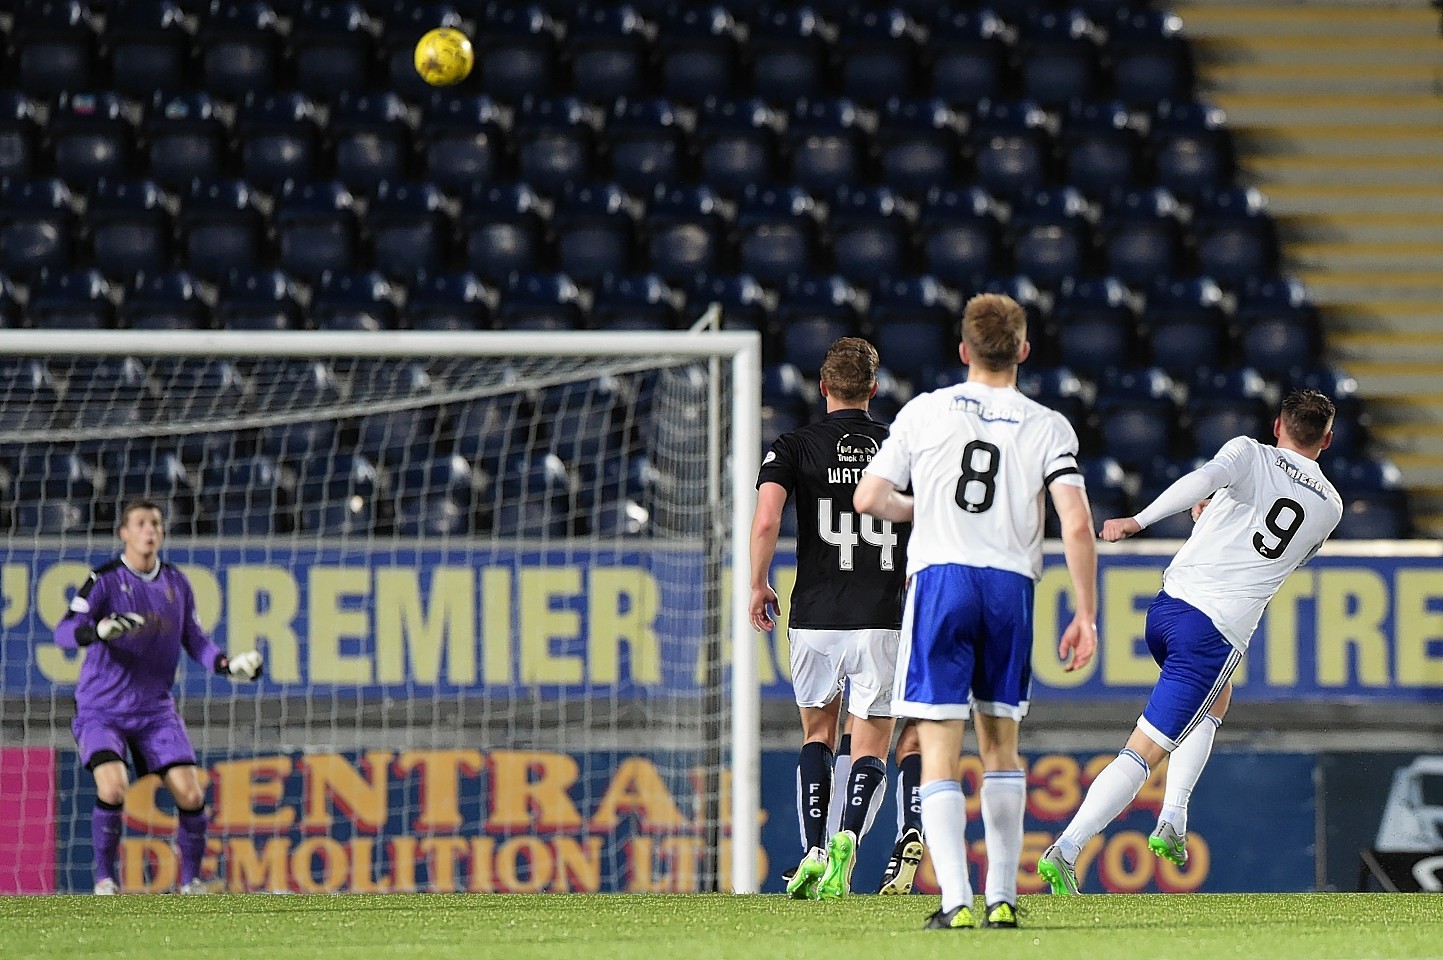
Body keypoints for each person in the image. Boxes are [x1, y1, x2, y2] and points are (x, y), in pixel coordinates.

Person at [855, 293, 1099, 930]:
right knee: (1001, 748)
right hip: (1010, 589)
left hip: (941, 579)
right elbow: (1075, 523)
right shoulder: (1049, 424)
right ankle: (1003, 899)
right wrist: (1086, 613)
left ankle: (955, 902)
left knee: (937, 745)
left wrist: (923, 509)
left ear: (963, 350)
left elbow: (869, 497)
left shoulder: (925, 411)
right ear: (1022, 350)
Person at [1038, 389, 1343, 895]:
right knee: (1145, 750)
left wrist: (1142, 519)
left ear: (1277, 426)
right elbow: (1277, 552)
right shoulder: (1330, 505)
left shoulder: (1248, 451)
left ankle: (1173, 819)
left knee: (1215, 700)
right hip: (1213, 633)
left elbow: (1201, 483)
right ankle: (1067, 848)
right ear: (1327, 440)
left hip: (1166, 610)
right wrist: (1216, 513)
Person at [749, 337, 913, 901]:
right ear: (873, 390)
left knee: (817, 734)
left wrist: (757, 581)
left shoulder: (792, 445)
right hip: (882, 616)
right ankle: (848, 837)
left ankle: (814, 849)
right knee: (870, 745)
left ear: (823, 388)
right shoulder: (898, 447)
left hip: (815, 614)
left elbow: (767, 520)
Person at [55, 498, 265, 895]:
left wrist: (226, 664)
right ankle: (104, 880)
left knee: (191, 792)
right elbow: (63, 631)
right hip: (103, 711)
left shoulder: (177, 583)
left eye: (155, 523)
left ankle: (190, 883)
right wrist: (97, 631)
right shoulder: (102, 579)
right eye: (140, 523)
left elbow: (195, 640)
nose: (149, 530)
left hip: (154, 712)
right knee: (113, 787)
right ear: (124, 533)